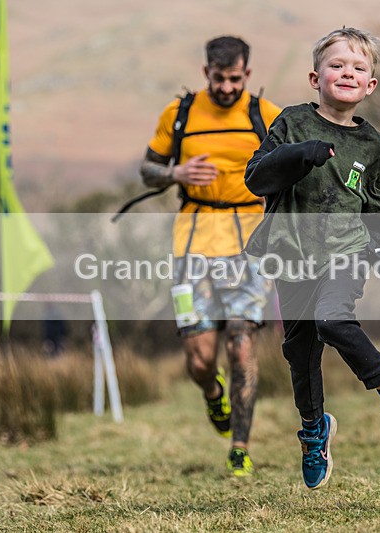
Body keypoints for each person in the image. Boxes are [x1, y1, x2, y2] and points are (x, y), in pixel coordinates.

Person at [244, 28, 380, 490]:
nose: (347, 72)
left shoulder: (373, 146)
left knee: (333, 318)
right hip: (291, 257)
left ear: (371, 85)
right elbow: (256, 177)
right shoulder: (292, 122)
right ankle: (314, 430)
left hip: (346, 252)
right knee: (300, 352)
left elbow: (376, 205)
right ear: (316, 77)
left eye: (358, 68)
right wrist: (296, 155)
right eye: (336, 65)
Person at [139, 36, 281, 476]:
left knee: (241, 346)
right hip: (191, 246)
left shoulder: (266, 115)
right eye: (218, 78)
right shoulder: (179, 113)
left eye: (234, 78)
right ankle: (211, 394)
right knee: (200, 359)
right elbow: (147, 169)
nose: (225, 87)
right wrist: (175, 172)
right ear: (206, 73)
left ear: (247, 75)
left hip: (250, 245)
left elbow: (296, 167)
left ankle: (240, 446)